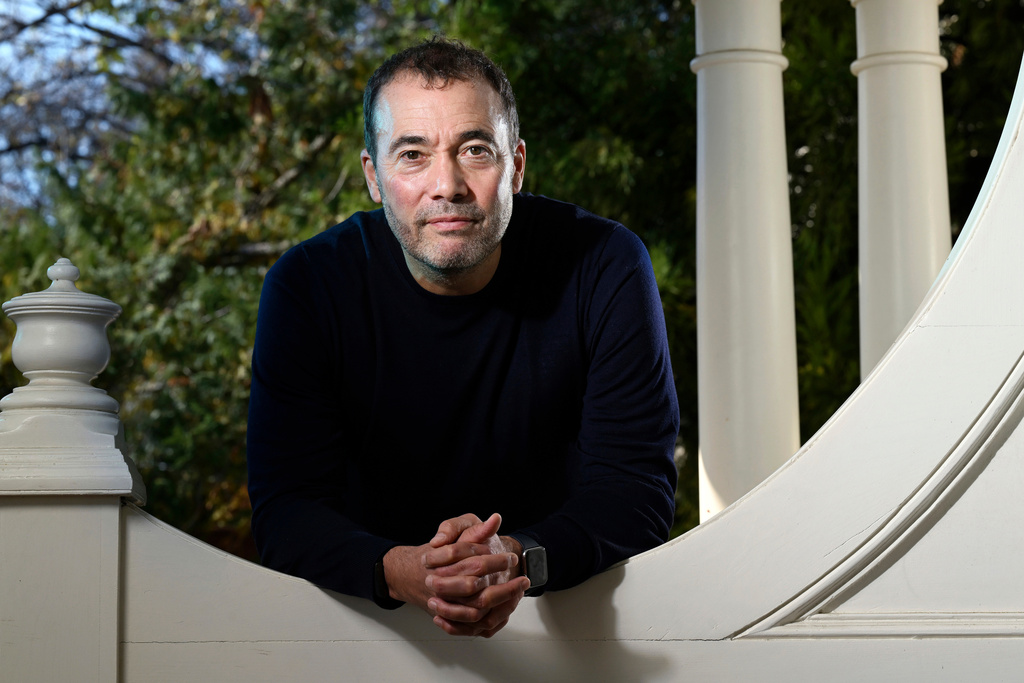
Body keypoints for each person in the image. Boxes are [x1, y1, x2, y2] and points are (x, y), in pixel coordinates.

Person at [246, 37, 679, 638]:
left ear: (517, 166)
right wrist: (400, 571)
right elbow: (285, 510)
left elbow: (637, 489)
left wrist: (516, 558)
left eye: (475, 150)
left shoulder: (605, 264)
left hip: (572, 629)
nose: (446, 184)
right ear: (374, 177)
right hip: (363, 633)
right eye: (413, 155)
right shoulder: (308, 287)